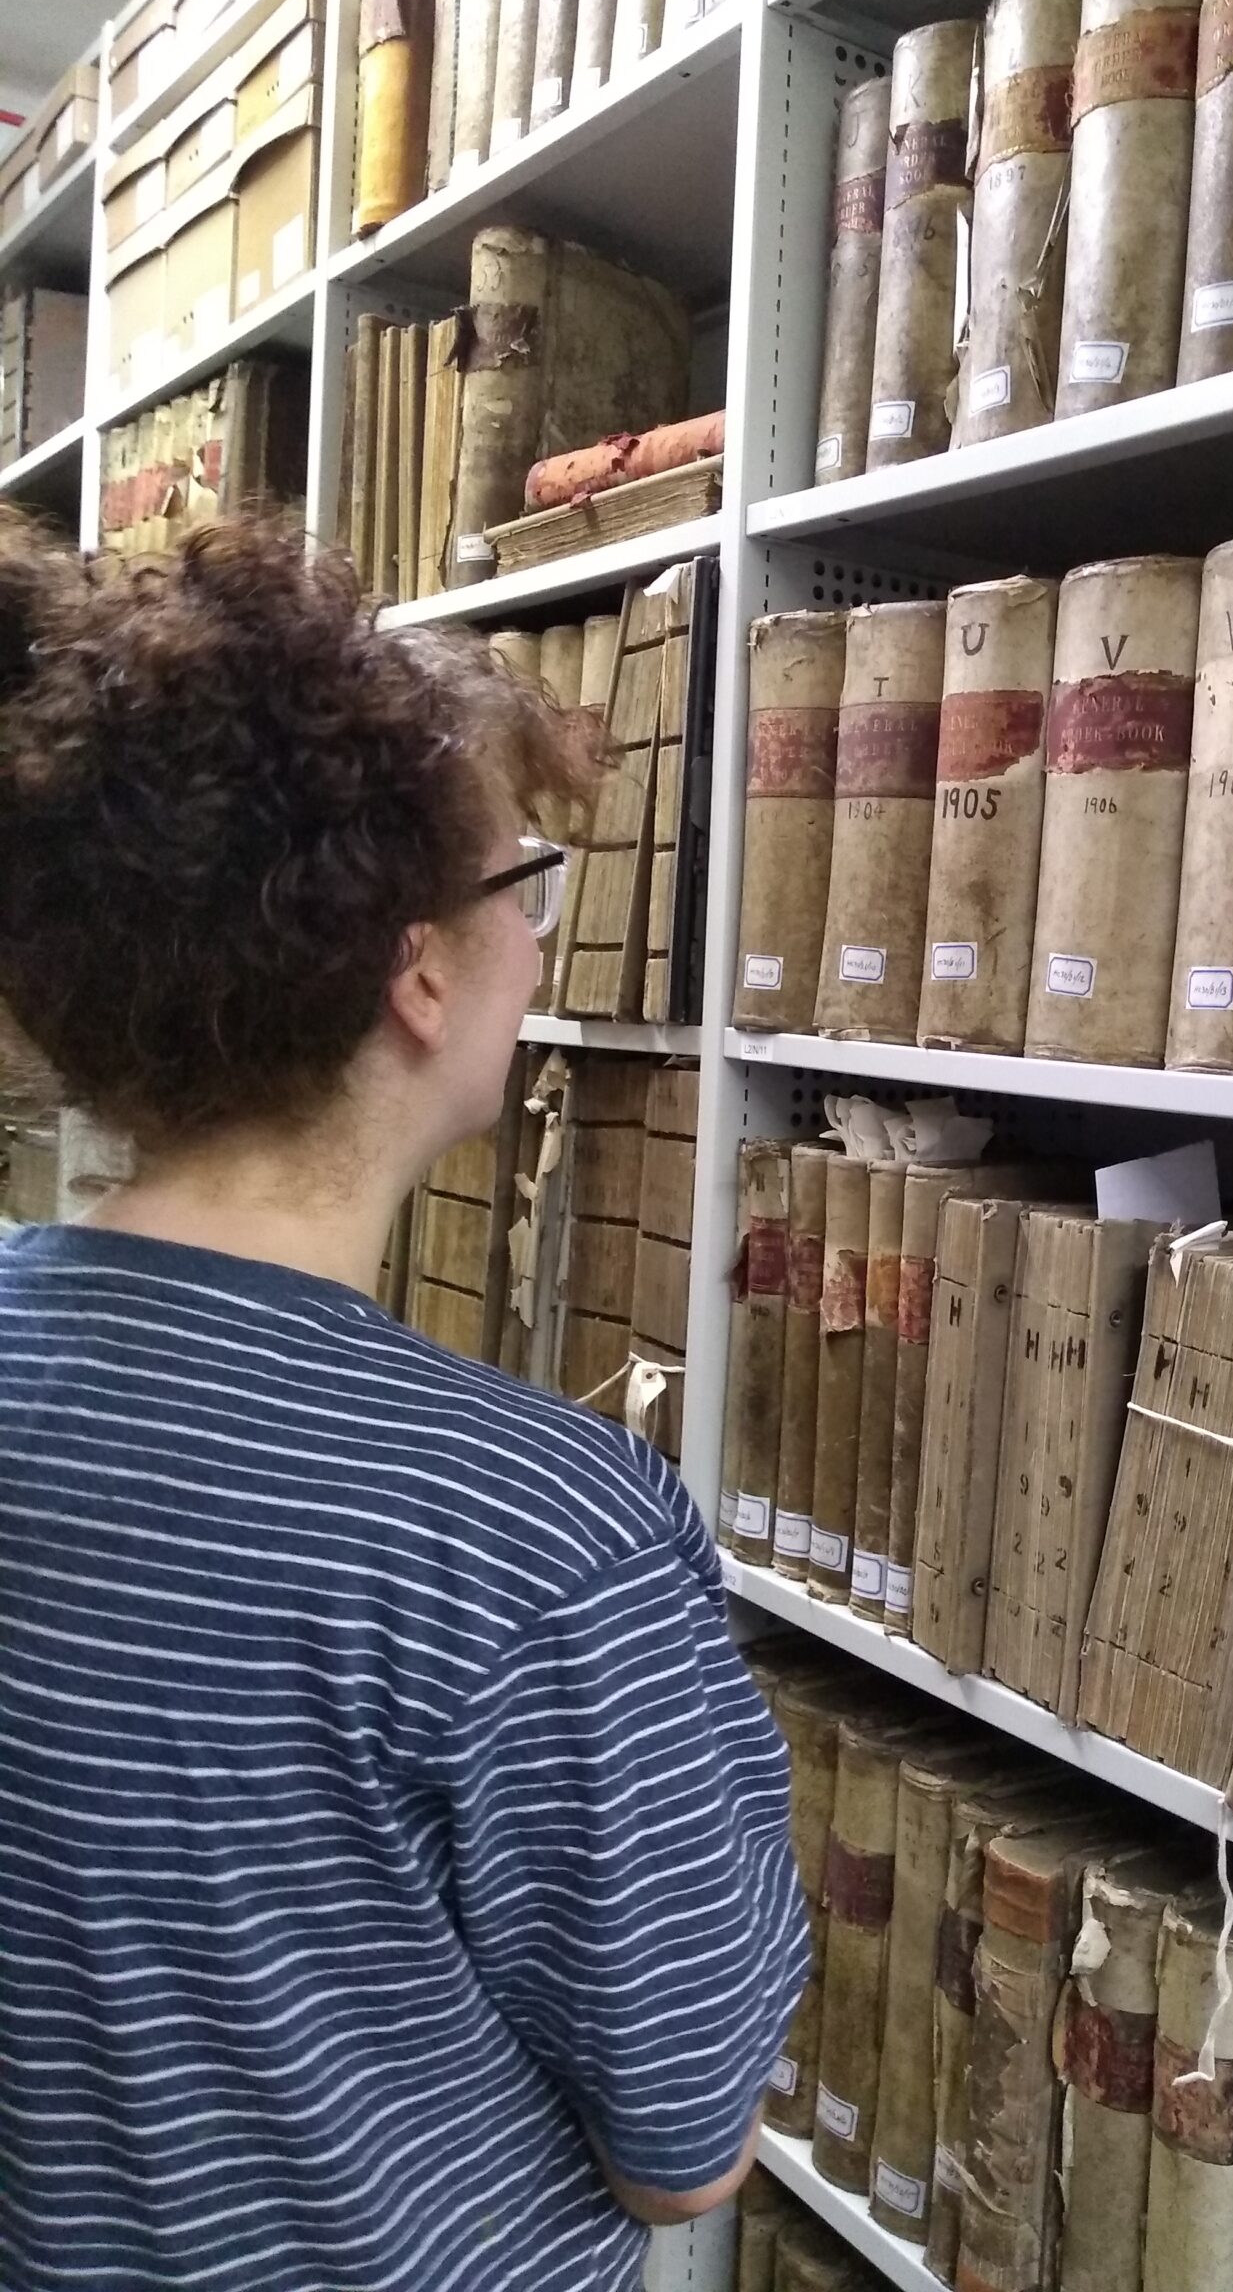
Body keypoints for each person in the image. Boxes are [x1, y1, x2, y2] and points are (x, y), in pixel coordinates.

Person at [0, 516, 809, 2290]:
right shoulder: (535, 1535)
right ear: (425, 972)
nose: (539, 936)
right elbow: (685, 2149)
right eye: (528, 881)